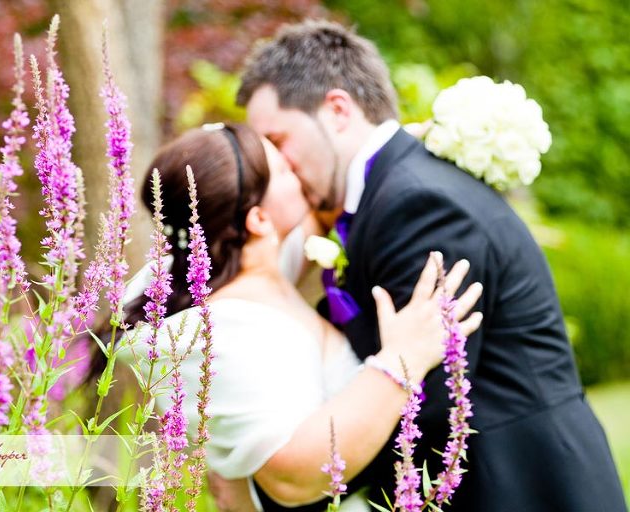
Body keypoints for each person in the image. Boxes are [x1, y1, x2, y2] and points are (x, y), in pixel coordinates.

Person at [235, 19, 627, 511]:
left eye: (279, 141)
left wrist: (277, 485)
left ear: (337, 110)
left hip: (526, 487)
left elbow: (428, 402)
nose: (277, 168)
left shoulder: (417, 205)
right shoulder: (391, 193)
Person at [121, 123, 484, 510]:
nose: (298, 170)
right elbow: (294, 477)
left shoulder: (257, 266)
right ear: (258, 219)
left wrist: (382, 145)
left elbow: (322, 207)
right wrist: (405, 356)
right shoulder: (230, 332)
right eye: (284, 170)